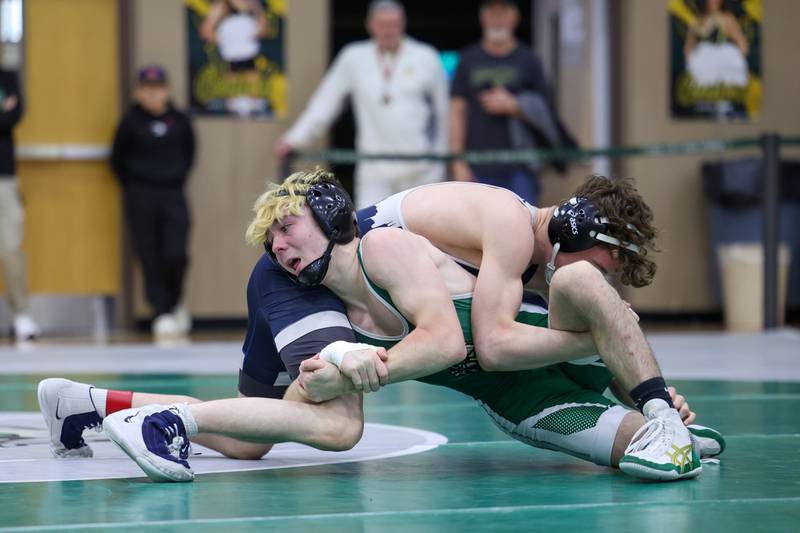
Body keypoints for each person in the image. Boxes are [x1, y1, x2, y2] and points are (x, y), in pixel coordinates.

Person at [39, 171, 723, 482]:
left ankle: (93, 406)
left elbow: (535, 327)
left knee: (251, 437)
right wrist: (607, 341)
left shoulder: (508, 262)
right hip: (325, 281)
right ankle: (163, 423)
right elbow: (481, 342)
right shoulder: (504, 231)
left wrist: (644, 386)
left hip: (341, 282)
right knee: (335, 424)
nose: (608, 280)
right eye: (611, 264)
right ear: (582, 229)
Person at [274, 0, 449, 208]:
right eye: (382, 24)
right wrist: (294, 139)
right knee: (370, 230)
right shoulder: (353, 57)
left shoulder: (426, 56)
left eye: (394, 24)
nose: (388, 31)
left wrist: (441, 162)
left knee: (422, 231)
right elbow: (325, 103)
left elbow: (443, 114)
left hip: (421, 168)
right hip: (373, 168)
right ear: (370, 25)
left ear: (403, 24)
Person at [449, 0, 575, 204]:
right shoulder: (467, 59)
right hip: (477, 166)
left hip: (520, 168)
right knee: (475, 231)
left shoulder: (529, 59)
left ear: (514, 17)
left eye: (504, 12)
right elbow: (456, 110)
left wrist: (516, 106)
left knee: (523, 226)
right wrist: (458, 161)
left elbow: (547, 111)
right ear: (483, 17)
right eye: (492, 12)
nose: (497, 19)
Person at [110, 65, 196, 340]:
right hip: (140, 195)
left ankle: (174, 301)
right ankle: (162, 312)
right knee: (148, 256)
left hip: (172, 193)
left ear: (166, 90)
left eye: (157, 88)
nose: (152, 94)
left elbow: (189, 154)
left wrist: (173, 177)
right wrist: (136, 184)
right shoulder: (130, 122)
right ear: (138, 91)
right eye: (146, 89)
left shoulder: (180, 121)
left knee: (176, 253)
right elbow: (117, 160)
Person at [0, 67, 40, 341]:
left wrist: (6, 113)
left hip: (4, 177)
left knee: (11, 248)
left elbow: (13, 117)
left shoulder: (8, 77)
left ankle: (21, 313)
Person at [684, 0, 749, 88]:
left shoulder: (728, 19)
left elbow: (743, 46)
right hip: (702, 75)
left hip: (723, 78)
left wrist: (729, 61)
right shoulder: (697, 20)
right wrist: (694, 63)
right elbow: (689, 47)